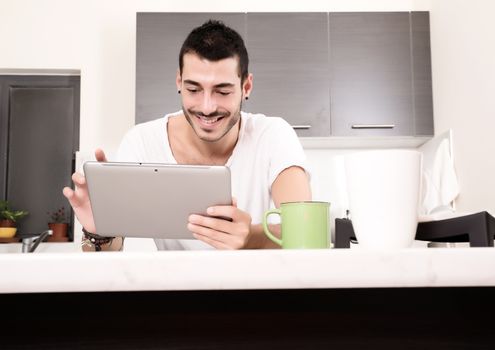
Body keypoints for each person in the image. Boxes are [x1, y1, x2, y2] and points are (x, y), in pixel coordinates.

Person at [63, 19, 311, 251]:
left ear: (246, 87)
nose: (206, 107)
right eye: (193, 89)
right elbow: (113, 251)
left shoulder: (273, 135)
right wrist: (100, 232)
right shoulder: (140, 143)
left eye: (222, 91)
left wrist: (251, 237)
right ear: (179, 82)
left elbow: (306, 231)